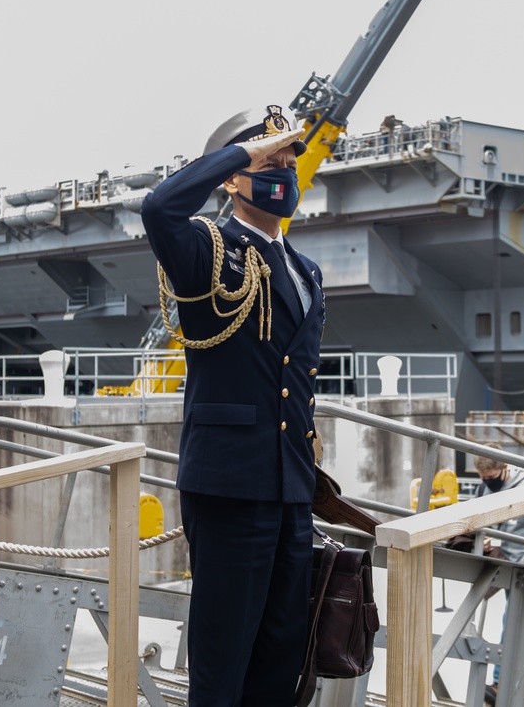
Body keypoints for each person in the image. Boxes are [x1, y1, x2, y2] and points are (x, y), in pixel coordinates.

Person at [141, 103, 324, 706]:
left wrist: (309, 467)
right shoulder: (207, 250)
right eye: (270, 162)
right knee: (222, 661)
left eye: (291, 160)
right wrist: (245, 152)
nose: (284, 173)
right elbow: (159, 207)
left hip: (291, 487)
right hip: (229, 485)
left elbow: (296, 381)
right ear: (232, 177)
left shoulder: (306, 269)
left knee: (281, 656)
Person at [474, 444, 524, 707]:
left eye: (492, 478)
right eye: (483, 479)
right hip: (510, 566)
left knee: (516, 619)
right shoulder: (483, 490)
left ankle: (501, 684)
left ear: (504, 468)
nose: (489, 483)